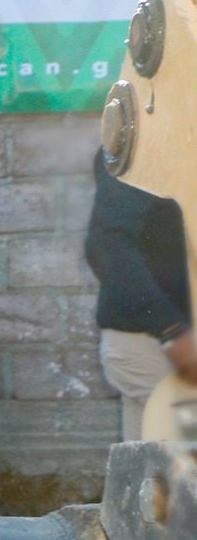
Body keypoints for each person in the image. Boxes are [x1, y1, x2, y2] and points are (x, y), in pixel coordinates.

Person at [86, 146, 193, 440]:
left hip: (172, 344)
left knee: (148, 476)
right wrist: (171, 329)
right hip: (156, 346)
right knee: (184, 470)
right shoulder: (145, 142)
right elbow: (107, 246)